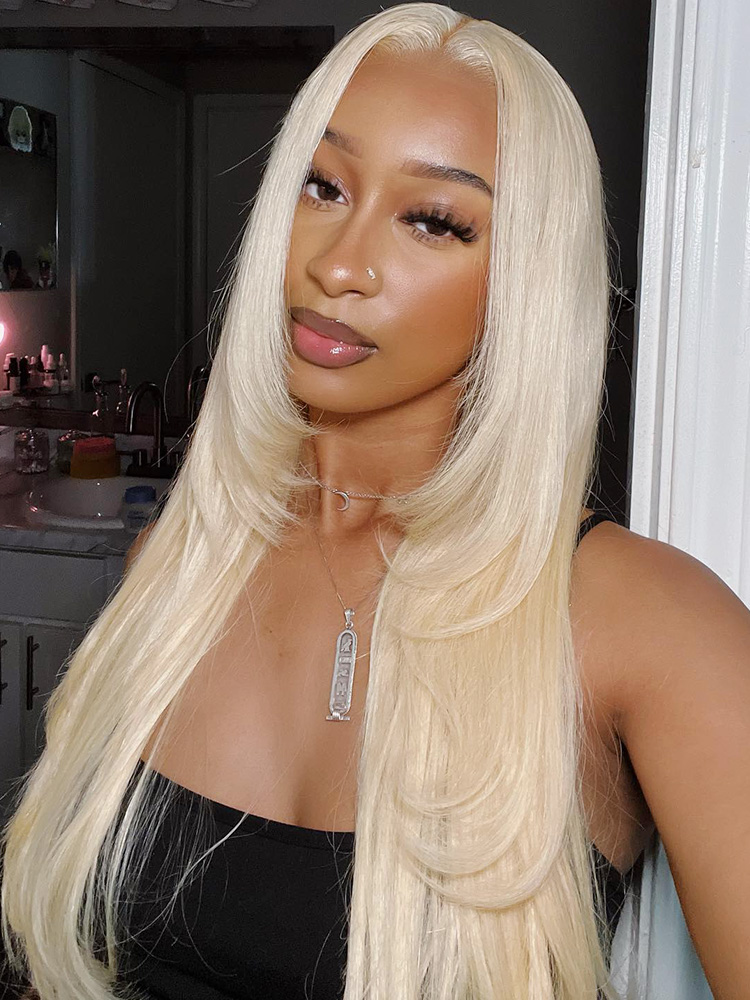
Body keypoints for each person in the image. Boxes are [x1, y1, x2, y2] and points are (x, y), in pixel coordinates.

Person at [2, 5, 749, 999]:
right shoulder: (176, 568)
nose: (338, 265)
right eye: (324, 185)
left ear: (526, 275)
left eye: (433, 220)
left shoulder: (646, 623)